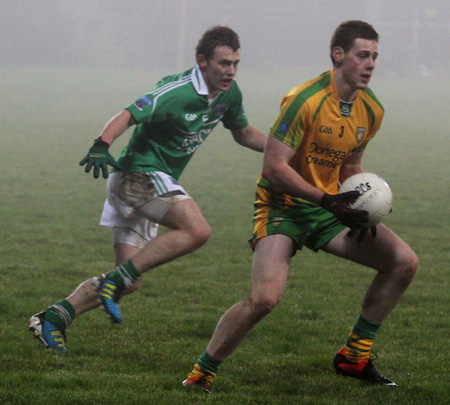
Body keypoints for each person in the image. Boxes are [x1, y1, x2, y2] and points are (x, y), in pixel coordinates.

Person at [183, 20, 419, 392]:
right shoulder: (305, 100)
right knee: (265, 299)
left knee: (403, 262)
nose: (371, 63)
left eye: (374, 56)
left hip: (330, 208)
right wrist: (327, 200)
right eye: (362, 55)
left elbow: (351, 165)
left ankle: (354, 357)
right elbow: (274, 167)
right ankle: (202, 373)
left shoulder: (371, 109)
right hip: (284, 206)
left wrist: (360, 203)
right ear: (338, 55)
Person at [28, 26, 267, 352]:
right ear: (202, 61)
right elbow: (127, 114)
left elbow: (243, 133)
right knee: (197, 231)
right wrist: (102, 144)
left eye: (236, 63)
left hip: (149, 184)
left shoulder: (229, 94)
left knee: (131, 281)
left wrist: (284, 151)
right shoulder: (177, 91)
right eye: (224, 63)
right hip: (138, 176)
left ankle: (54, 317)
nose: (231, 71)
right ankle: (115, 280)